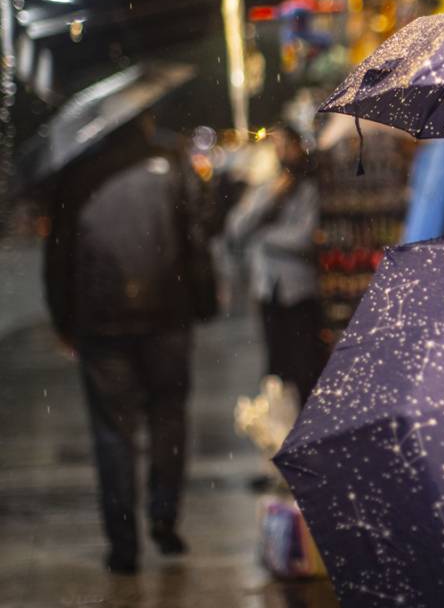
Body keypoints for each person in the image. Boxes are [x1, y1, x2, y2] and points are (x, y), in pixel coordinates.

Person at [44, 114, 216, 574]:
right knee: (168, 416)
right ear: (144, 118)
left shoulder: (78, 174)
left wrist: (64, 319)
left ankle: (123, 544)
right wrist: (204, 300)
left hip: (101, 323)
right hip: (168, 313)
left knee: (113, 433)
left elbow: (58, 253)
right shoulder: (170, 162)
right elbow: (195, 237)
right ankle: (164, 517)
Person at [226, 124, 325, 406]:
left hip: (299, 291)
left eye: (286, 145)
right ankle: (282, 428)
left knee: (306, 367)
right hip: (267, 290)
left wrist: (263, 238)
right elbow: (236, 228)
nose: (281, 151)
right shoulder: (266, 188)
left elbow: (304, 238)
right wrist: (272, 197)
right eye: (276, 145)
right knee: (275, 370)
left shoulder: (307, 189)